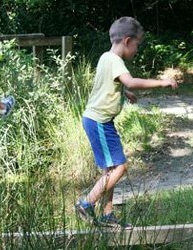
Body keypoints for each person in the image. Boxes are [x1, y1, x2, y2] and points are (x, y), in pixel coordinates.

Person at [75, 17, 178, 229]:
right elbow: (130, 80)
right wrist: (161, 82)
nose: (137, 51)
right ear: (128, 41)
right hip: (99, 122)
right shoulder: (115, 61)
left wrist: (124, 92)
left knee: (110, 169)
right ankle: (86, 203)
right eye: (137, 45)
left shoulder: (106, 57)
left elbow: (110, 84)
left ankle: (107, 214)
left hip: (99, 121)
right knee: (120, 167)